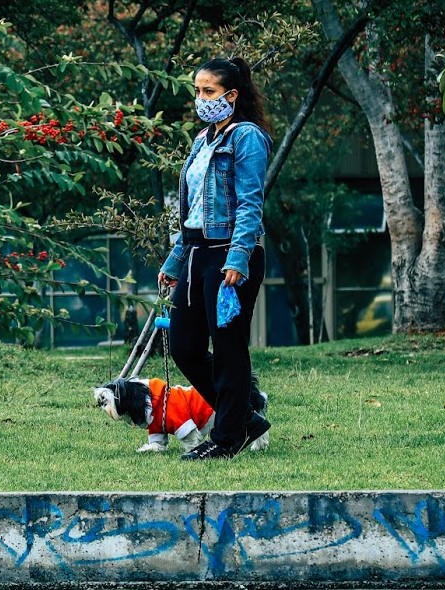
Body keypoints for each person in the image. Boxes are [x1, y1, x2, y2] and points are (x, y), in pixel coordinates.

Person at [157, 57, 273, 460]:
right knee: (185, 346)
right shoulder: (202, 140)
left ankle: (228, 437)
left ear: (232, 95)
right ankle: (244, 413)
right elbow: (191, 211)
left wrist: (238, 257)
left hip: (229, 255)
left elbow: (250, 203)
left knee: (228, 347)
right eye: (197, 91)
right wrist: (174, 262)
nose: (200, 99)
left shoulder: (246, 138)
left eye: (209, 91)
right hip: (195, 253)